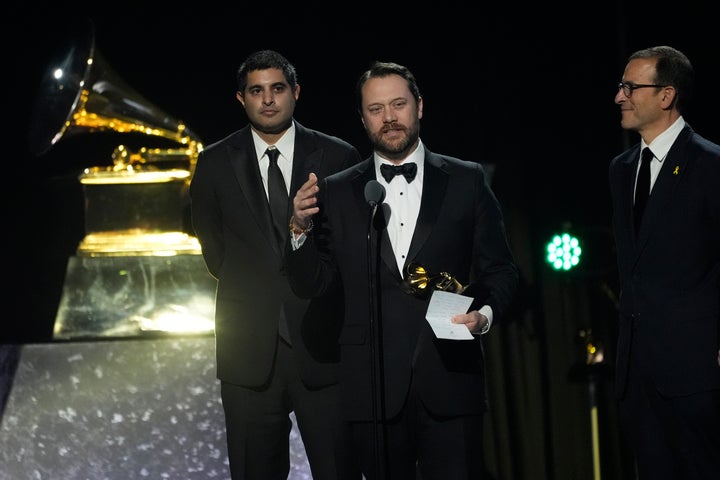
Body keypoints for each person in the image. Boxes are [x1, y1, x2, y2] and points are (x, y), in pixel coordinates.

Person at [286, 61, 519, 480]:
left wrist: (483, 316)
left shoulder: (466, 180)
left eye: (398, 104)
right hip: (371, 388)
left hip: (450, 378)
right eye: (376, 109)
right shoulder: (337, 191)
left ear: (420, 106)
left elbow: (500, 270)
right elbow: (313, 283)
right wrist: (299, 229)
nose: (389, 117)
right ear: (362, 118)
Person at [189, 49, 362, 480]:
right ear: (241, 99)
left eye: (277, 88)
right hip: (248, 355)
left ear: (296, 92)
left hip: (324, 349)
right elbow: (215, 253)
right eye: (256, 91)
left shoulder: (338, 156)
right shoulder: (212, 163)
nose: (268, 100)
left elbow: (350, 251)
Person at [609, 45, 720, 479]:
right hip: (638, 377)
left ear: (666, 95)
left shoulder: (710, 165)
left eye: (630, 87)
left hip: (695, 375)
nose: (619, 96)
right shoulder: (620, 170)